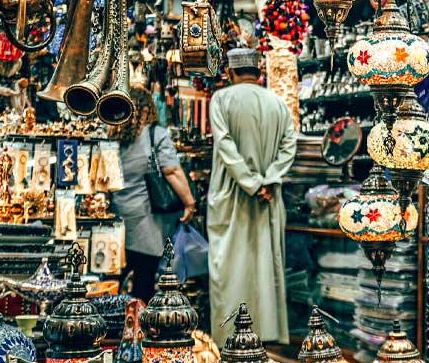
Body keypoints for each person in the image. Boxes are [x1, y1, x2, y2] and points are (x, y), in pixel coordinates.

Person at [208, 48, 297, 345]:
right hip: (268, 198)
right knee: (263, 266)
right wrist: (268, 180)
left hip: (233, 196)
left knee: (230, 268)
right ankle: (265, 333)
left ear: (231, 73)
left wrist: (250, 182)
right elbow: (289, 145)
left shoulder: (221, 99)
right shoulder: (277, 103)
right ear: (258, 72)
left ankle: (229, 336)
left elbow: (225, 146)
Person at [111, 86, 197, 303]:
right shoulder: (155, 134)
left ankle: (113, 323)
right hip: (145, 221)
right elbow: (172, 170)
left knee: (114, 277)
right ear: (149, 109)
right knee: (144, 280)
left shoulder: (113, 136)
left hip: (117, 217)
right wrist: (189, 203)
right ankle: (137, 328)